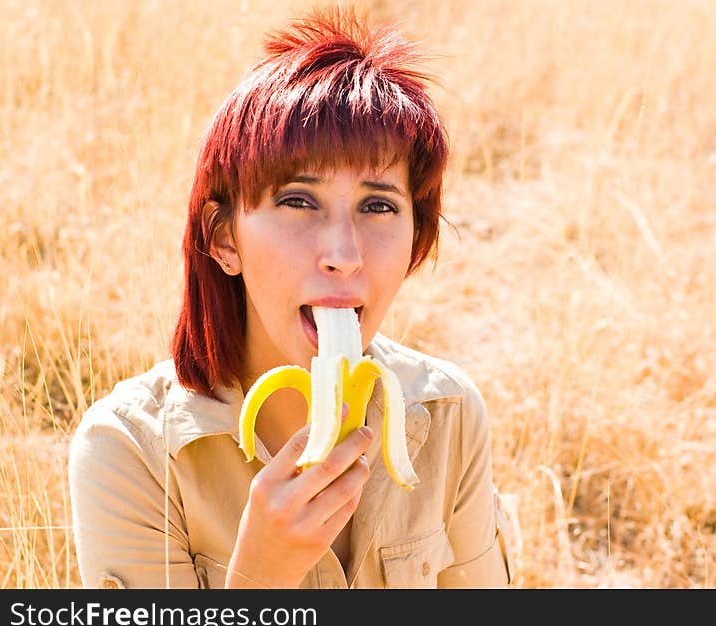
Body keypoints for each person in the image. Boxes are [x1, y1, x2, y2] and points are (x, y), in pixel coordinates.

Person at [68, 7, 513, 589]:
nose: (343, 254)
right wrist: (260, 576)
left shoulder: (449, 416)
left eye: (378, 206)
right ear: (224, 238)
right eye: (299, 201)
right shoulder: (129, 452)